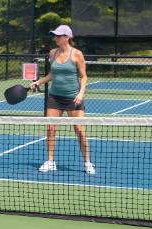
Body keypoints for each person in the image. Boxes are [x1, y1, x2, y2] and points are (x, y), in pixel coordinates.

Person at [29, 25, 94, 174]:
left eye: (59, 35)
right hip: (55, 97)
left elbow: (83, 76)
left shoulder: (77, 54)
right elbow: (53, 74)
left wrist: (81, 93)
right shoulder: (53, 53)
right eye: (55, 35)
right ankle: (51, 161)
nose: (55, 38)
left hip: (73, 98)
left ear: (67, 37)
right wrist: (38, 82)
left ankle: (87, 162)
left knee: (79, 129)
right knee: (50, 128)